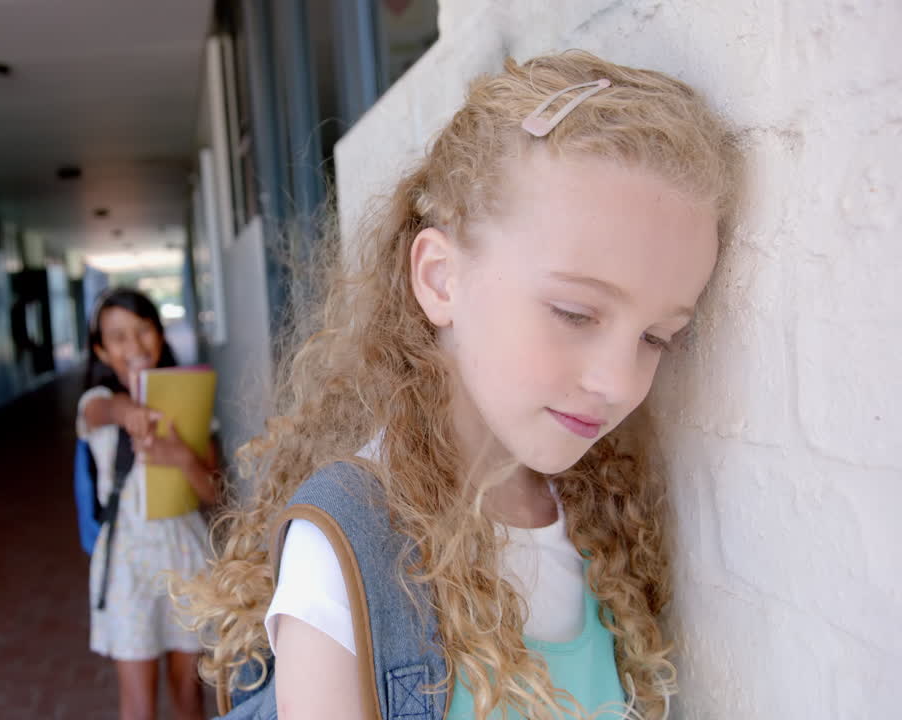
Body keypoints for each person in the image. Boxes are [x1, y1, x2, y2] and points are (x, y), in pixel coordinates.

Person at [180, 51, 742, 720]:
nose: (619, 382)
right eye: (575, 313)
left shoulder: (603, 517)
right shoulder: (349, 552)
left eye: (657, 338)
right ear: (441, 279)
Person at [78, 287, 220, 720]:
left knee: (189, 694)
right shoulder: (95, 404)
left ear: (160, 335)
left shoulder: (190, 403)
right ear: (102, 351)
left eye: (143, 331)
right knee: (138, 705)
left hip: (185, 556)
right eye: (118, 337)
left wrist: (179, 457)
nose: (134, 346)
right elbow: (101, 411)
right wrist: (130, 413)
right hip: (128, 562)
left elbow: (215, 492)